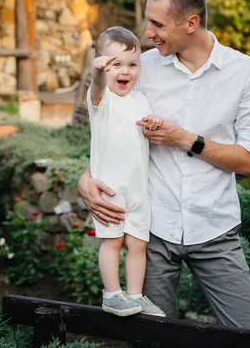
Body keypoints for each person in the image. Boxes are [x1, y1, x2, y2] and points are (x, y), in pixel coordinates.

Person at [78, 0, 250, 328]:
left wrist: (186, 139)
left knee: (248, 336)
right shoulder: (137, 67)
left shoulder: (244, 73)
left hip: (216, 229)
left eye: (157, 24)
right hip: (152, 231)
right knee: (151, 337)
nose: (147, 33)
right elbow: (108, 126)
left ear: (191, 23)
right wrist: (85, 178)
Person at [87, 25, 166, 318]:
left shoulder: (140, 99)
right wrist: (97, 70)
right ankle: (111, 294)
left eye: (132, 65)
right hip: (111, 189)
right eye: (115, 64)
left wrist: (154, 121)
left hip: (138, 190)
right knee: (113, 241)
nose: (125, 71)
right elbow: (96, 85)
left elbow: (144, 127)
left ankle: (135, 295)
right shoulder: (101, 99)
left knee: (138, 243)